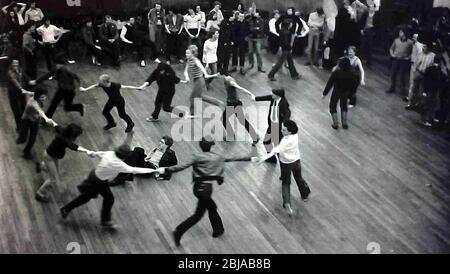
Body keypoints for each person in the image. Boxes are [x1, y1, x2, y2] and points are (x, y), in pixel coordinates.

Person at [156, 137, 253, 246]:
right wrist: (251, 158)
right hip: (205, 190)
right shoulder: (217, 157)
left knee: (212, 207)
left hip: (198, 188)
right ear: (211, 146)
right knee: (198, 215)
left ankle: (218, 230)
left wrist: (166, 169)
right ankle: (179, 231)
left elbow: (182, 167)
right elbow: (234, 158)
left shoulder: (197, 157)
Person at [60, 145, 157, 228]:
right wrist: (153, 171)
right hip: (97, 182)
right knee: (87, 198)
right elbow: (134, 170)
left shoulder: (111, 154)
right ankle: (66, 209)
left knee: (107, 198)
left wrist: (93, 153)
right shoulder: (118, 164)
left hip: (97, 177)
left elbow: (100, 153)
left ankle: (104, 221)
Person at [255, 120, 311, 216]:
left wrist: (263, 157)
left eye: (284, 130)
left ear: (289, 131)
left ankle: (287, 203)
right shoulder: (295, 136)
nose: (281, 131)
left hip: (286, 164)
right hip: (296, 161)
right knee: (299, 178)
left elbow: (275, 150)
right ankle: (305, 194)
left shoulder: (285, 142)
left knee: (286, 183)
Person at [35, 124, 92, 203]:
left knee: (55, 173)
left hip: (53, 156)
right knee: (53, 179)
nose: (76, 137)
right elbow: (73, 146)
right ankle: (39, 194)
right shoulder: (63, 139)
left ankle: (41, 166)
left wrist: (50, 121)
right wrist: (87, 151)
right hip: (49, 158)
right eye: (76, 135)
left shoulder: (62, 131)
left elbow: (55, 125)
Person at [17, 87, 57, 159]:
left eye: (45, 96)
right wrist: (46, 118)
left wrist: (25, 91)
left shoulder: (36, 96)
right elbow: (39, 111)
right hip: (27, 120)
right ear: (38, 96)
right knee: (24, 135)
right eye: (42, 97)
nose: (44, 98)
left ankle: (26, 152)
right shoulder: (32, 103)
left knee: (32, 139)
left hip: (35, 121)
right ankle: (21, 138)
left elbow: (33, 93)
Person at [183, 45, 221, 118]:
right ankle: (217, 102)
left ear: (193, 54)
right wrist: (187, 77)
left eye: (188, 53)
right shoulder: (188, 60)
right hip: (195, 80)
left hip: (199, 81)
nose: (186, 55)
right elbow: (185, 71)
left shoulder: (196, 61)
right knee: (199, 97)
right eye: (186, 53)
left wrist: (206, 73)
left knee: (192, 97)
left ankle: (192, 114)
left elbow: (201, 68)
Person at [254, 88, 291, 163]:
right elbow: (266, 97)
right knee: (266, 142)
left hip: (278, 127)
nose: (272, 95)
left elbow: (288, 113)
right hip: (271, 125)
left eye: (273, 94)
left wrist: (284, 125)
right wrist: (255, 98)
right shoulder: (274, 98)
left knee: (278, 145)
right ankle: (272, 158)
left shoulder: (284, 103)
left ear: (278, 95)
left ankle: (284, 162)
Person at [221, 76, 259, 144]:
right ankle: (255, 137)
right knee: (241, 120)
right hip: (234, 103)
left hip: (233, 104)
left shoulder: (230, 81)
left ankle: (231, 136)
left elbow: (241, 88)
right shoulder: (226, 78)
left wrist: (251, 94)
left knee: (224, 119)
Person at [322, 58, 356, 129]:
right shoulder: (352, 74)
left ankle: (335, 124)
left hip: (336, 91)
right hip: (345, 92)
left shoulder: (336, 73)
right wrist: (351, 96)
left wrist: (325, 93)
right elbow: (353, 86)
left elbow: (329, 84)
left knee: (332, 106)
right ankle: (344, 123)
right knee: (344, 107)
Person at [406, 42, 436, 110]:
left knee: (422, 91)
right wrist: (415, 71)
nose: (423, 48)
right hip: (418, 72)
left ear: (429, 48)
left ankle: (419, 105)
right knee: (414, 89)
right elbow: (416, 63)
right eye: (423, 47)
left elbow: (433, 67)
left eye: (425, 47)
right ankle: (410, 104)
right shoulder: (420, 54)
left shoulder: (433, 56)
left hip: (426, 75)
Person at [386, 29, 413, 96]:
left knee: (402, 76)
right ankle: (392, 88)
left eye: (401, 32)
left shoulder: (410, 42)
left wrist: (408, 57)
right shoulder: (396, 40)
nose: (399, 33)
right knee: (393, 74)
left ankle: (403, 91)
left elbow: (412, 53)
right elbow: (391, 48)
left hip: (403, 61)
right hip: (396, 60)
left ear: (404, 33)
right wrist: (392, 54)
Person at [421, 56, 446, 126]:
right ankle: (426, 119)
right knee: (430, 105)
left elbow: (425, 81)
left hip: (430, 90)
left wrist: (424, 91)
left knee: (429, 105)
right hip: (432, 90)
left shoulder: (430, 69)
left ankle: (426, 119)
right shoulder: (438, 71)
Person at [7, 59, 30, 131]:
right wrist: (21, 89)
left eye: (16, 64)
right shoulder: (10, 72)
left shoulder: (21, 69)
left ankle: (24, 123)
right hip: (13, 92)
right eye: (13, 64)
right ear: (11, 64)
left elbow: (25, 76)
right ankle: (19, 126)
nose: (15, 66)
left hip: (21, 92)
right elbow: (15, 82)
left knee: (23, 107)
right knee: (15, 109)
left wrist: (30, 81)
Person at [217, 10, 235, 75]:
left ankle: (225, 69)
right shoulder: (224, 22)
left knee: (227, 56)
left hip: (229, 42)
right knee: (221, 56)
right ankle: (219, 69)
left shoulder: (231, 23)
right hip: (223, 42)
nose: (234, 17)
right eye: (233, 15)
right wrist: (224, 41)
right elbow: (222, 33)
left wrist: (232, 40)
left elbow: (232, 33)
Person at [408, 33, 424, 101]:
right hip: (413, 65)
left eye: (414, 37)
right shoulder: (414, 45)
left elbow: (420, 57)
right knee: (411, 82)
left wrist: (416, 66)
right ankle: (410, 97)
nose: (413, 39)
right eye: (413, 37)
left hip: (416, 66)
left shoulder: (418, 45)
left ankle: (411, 98)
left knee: (413, 83)